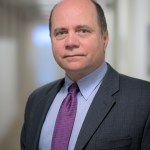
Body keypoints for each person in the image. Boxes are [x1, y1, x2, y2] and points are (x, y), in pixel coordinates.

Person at [20, 0, 150, 149]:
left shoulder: (145, 100)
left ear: (105, 38)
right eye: (61, 33)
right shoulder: (36, 100)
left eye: (83, 31)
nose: (70, 42)